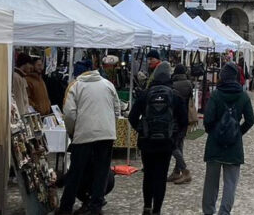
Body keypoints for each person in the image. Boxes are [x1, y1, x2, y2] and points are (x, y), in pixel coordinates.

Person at [57, 64, 120, 215]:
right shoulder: (108, 84)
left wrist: (73, 131)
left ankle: (66, 207)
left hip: (84, 134)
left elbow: (70, 114)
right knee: (102, 171)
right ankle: (95, 207)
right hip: (106, 134)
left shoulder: (76, 86)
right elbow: (116, 109)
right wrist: (109, 126)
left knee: (76, 171)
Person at [129, 62, 188, 215]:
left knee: (148, 174)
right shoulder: (175, 96)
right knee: (161, 176)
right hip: (166, 143)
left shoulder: (145, 94)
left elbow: (132, 117)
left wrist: (141, 130)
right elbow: (184, 121)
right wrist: (175, 137)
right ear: (169, 76)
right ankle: (157, 210)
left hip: (147, 142)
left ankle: (147, 207)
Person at [202, 62, 254, 215]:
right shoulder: (243, 96)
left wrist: (213, 132)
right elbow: (250, 120)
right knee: (230, 183)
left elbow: (208, 119)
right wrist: (238, 132)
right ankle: (224, 212)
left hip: (214, 144)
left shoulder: (216, 94)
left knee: (210, 183)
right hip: (234, 146)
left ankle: (208, 211)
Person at [168, 64, 193, 185]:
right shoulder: (189, 83)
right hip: (185, 117)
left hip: (174, 118)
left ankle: (184, 170)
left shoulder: (173, 85)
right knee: (180, 144)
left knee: (172, 145)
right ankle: (177, 171)